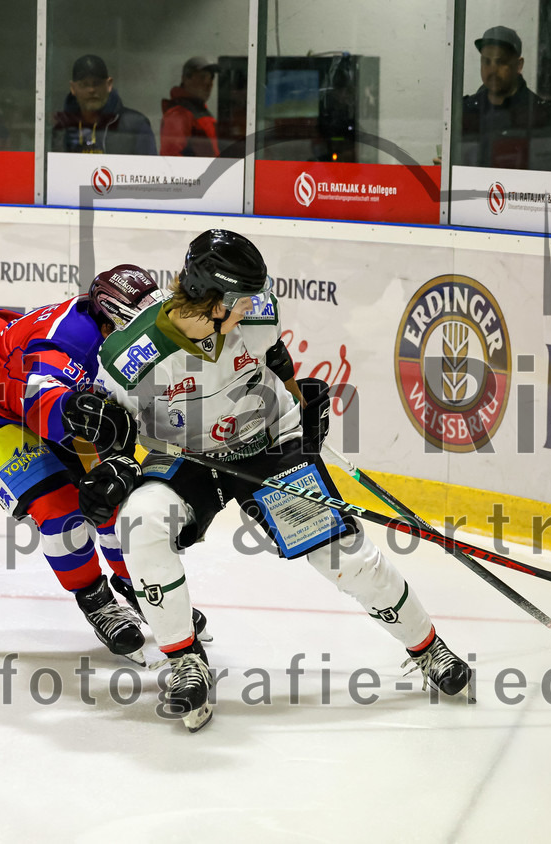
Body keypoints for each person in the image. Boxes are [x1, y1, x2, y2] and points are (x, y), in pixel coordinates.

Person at [81, 229, 471, 732]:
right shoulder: (130, 356)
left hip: (269, 443)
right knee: (139, 523)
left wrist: (299, 400)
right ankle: (184, 662)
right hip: (188, 458)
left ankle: (427, 648)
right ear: (207, 297)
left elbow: (276, 357)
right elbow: (102, 424)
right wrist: (106, 469)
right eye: (240, 300)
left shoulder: (258, 315)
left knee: (345, 558)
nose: (253, 306)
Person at [0, 265, 208, 663]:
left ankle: (138, 584)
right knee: (60, 512)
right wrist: (71, 408)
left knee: (114, 502)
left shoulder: (123, 333)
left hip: (56, 401)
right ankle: (95, 600)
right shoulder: (69, 340)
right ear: (108, 317)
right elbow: (38, 397)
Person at [460, 26, 551, 171]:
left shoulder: (541, 114)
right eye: (486, 61)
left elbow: (549, 176)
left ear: (519, 65)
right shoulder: (467, 110)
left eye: (500, 62)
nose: (492, 69)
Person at [52, 54, 157, 155]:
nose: (91, 90)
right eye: (84, 84)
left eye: (97, 83)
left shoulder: (136, 124)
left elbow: (149, 169)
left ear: (109, 85)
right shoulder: (62, 128)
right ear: (73, 88)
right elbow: (48, 169)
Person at [160, 56, 221, 157]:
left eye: (211, 78)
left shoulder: (198, 111)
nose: (209, 83)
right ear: (185, 79)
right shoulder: (178, 115)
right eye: (203, 77)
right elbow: (171, 158)